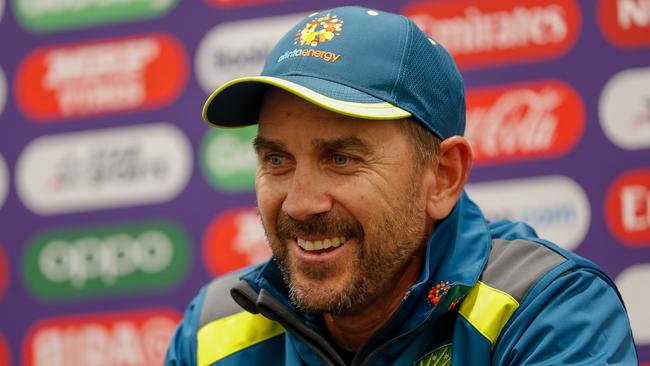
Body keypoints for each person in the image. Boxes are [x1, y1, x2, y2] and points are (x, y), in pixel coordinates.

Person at [165, 6, 638, 365]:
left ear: (443, 176)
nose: (301, 203)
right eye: (276, 159)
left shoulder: (547, 312)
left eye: (341, 158)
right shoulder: (212, 331)